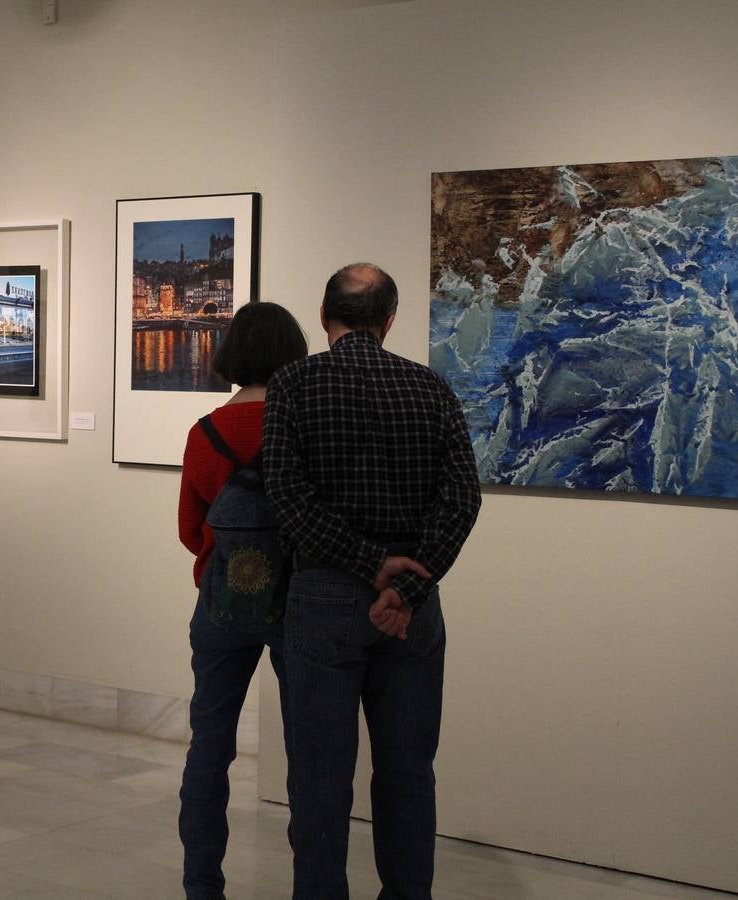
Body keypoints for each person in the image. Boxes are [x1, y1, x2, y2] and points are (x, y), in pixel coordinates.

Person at [263, 263, 482, 899]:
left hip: (323, 600)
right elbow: (461, 500)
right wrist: (404, 585)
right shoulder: (431, 389)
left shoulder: (293, 385)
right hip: (412, 613)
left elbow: (288, 497)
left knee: (320, 781)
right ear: (390, 322)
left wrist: (364, 563)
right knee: (409, 775)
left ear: (324, 314)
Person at [177, 301, 309, 900]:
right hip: (298, 604)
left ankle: (202, 886)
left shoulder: (204, 435)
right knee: (311, 752)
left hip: (221, 602)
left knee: (209, 748)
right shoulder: (306, 427)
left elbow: (189, 530)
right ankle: (311, 881)